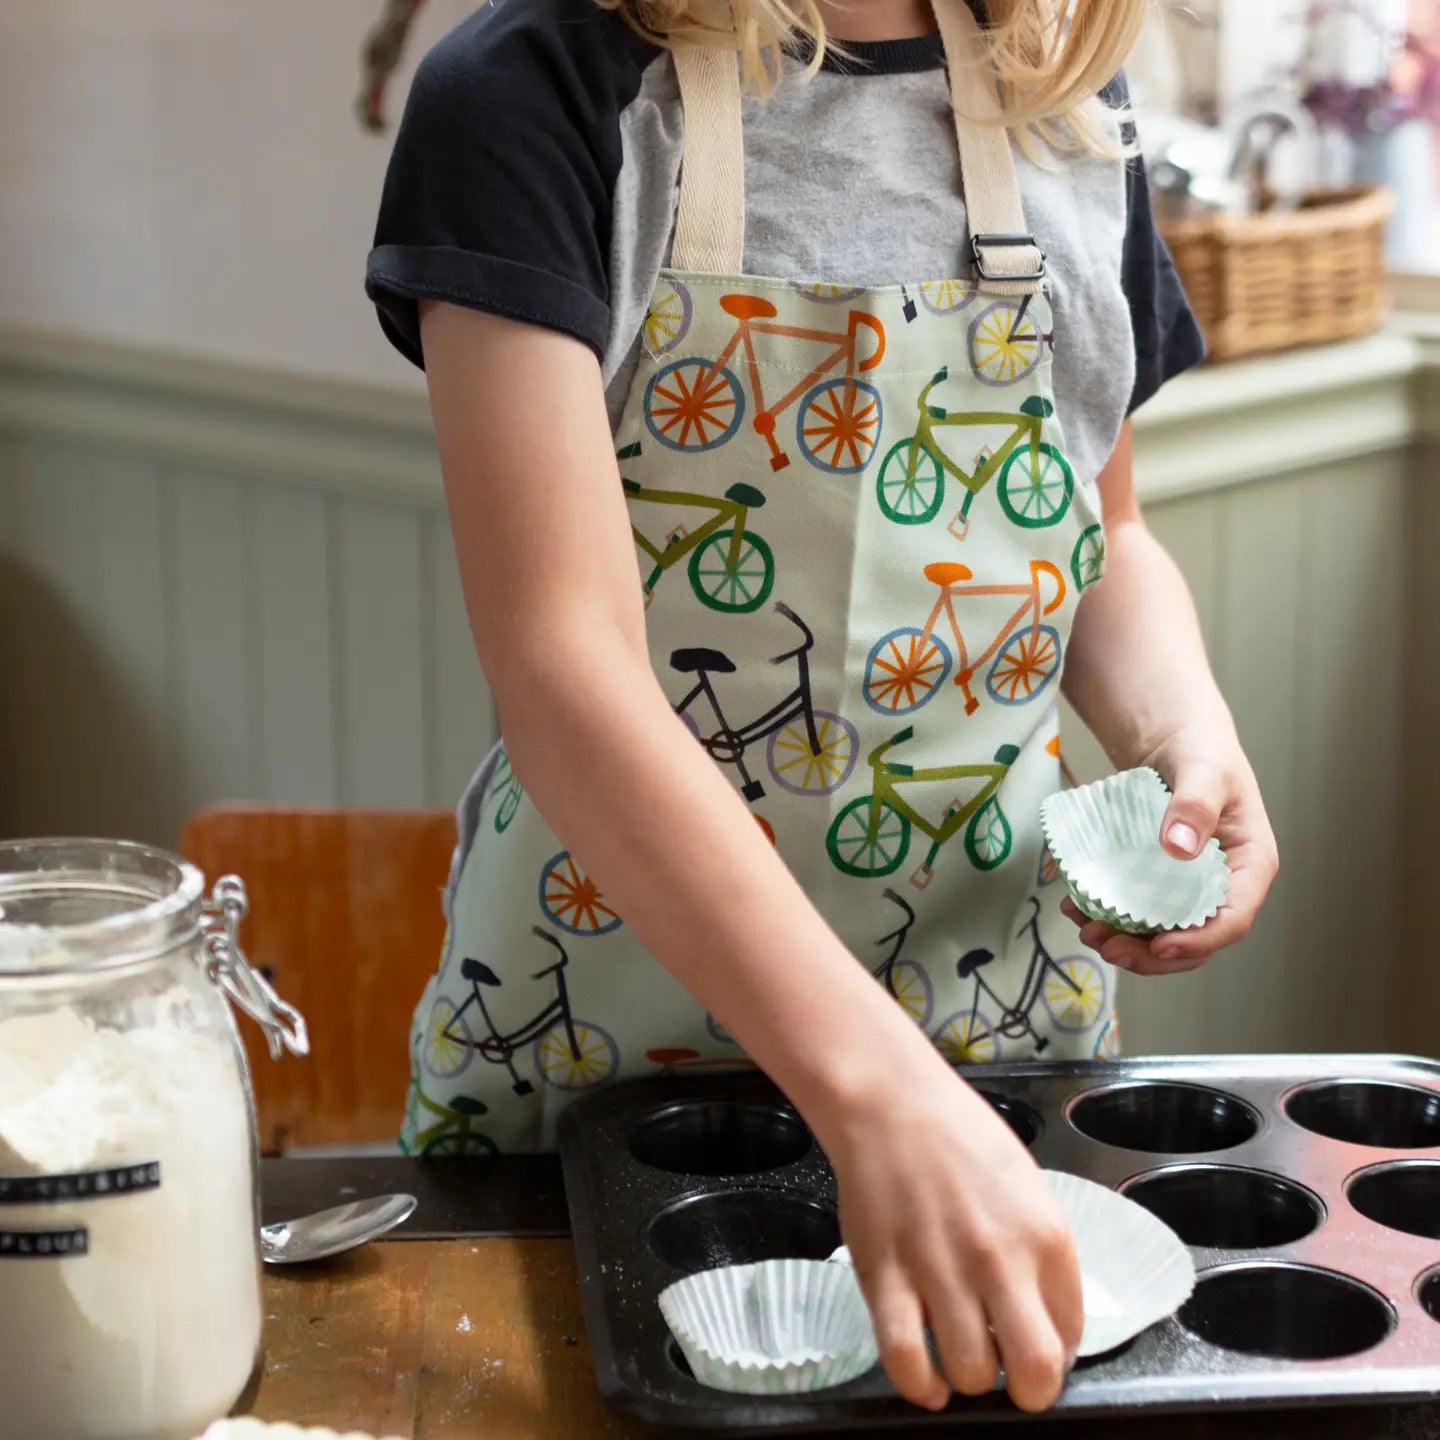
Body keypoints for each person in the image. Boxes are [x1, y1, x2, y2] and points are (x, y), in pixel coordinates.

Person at [366, 0, 1278, 1412]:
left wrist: (1183, 737)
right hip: (603, 1073)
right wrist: (879, 1093)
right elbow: (563, 669)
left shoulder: (1068, 109)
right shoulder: (538, 93)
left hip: (996, 1055)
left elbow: (1105, 542)